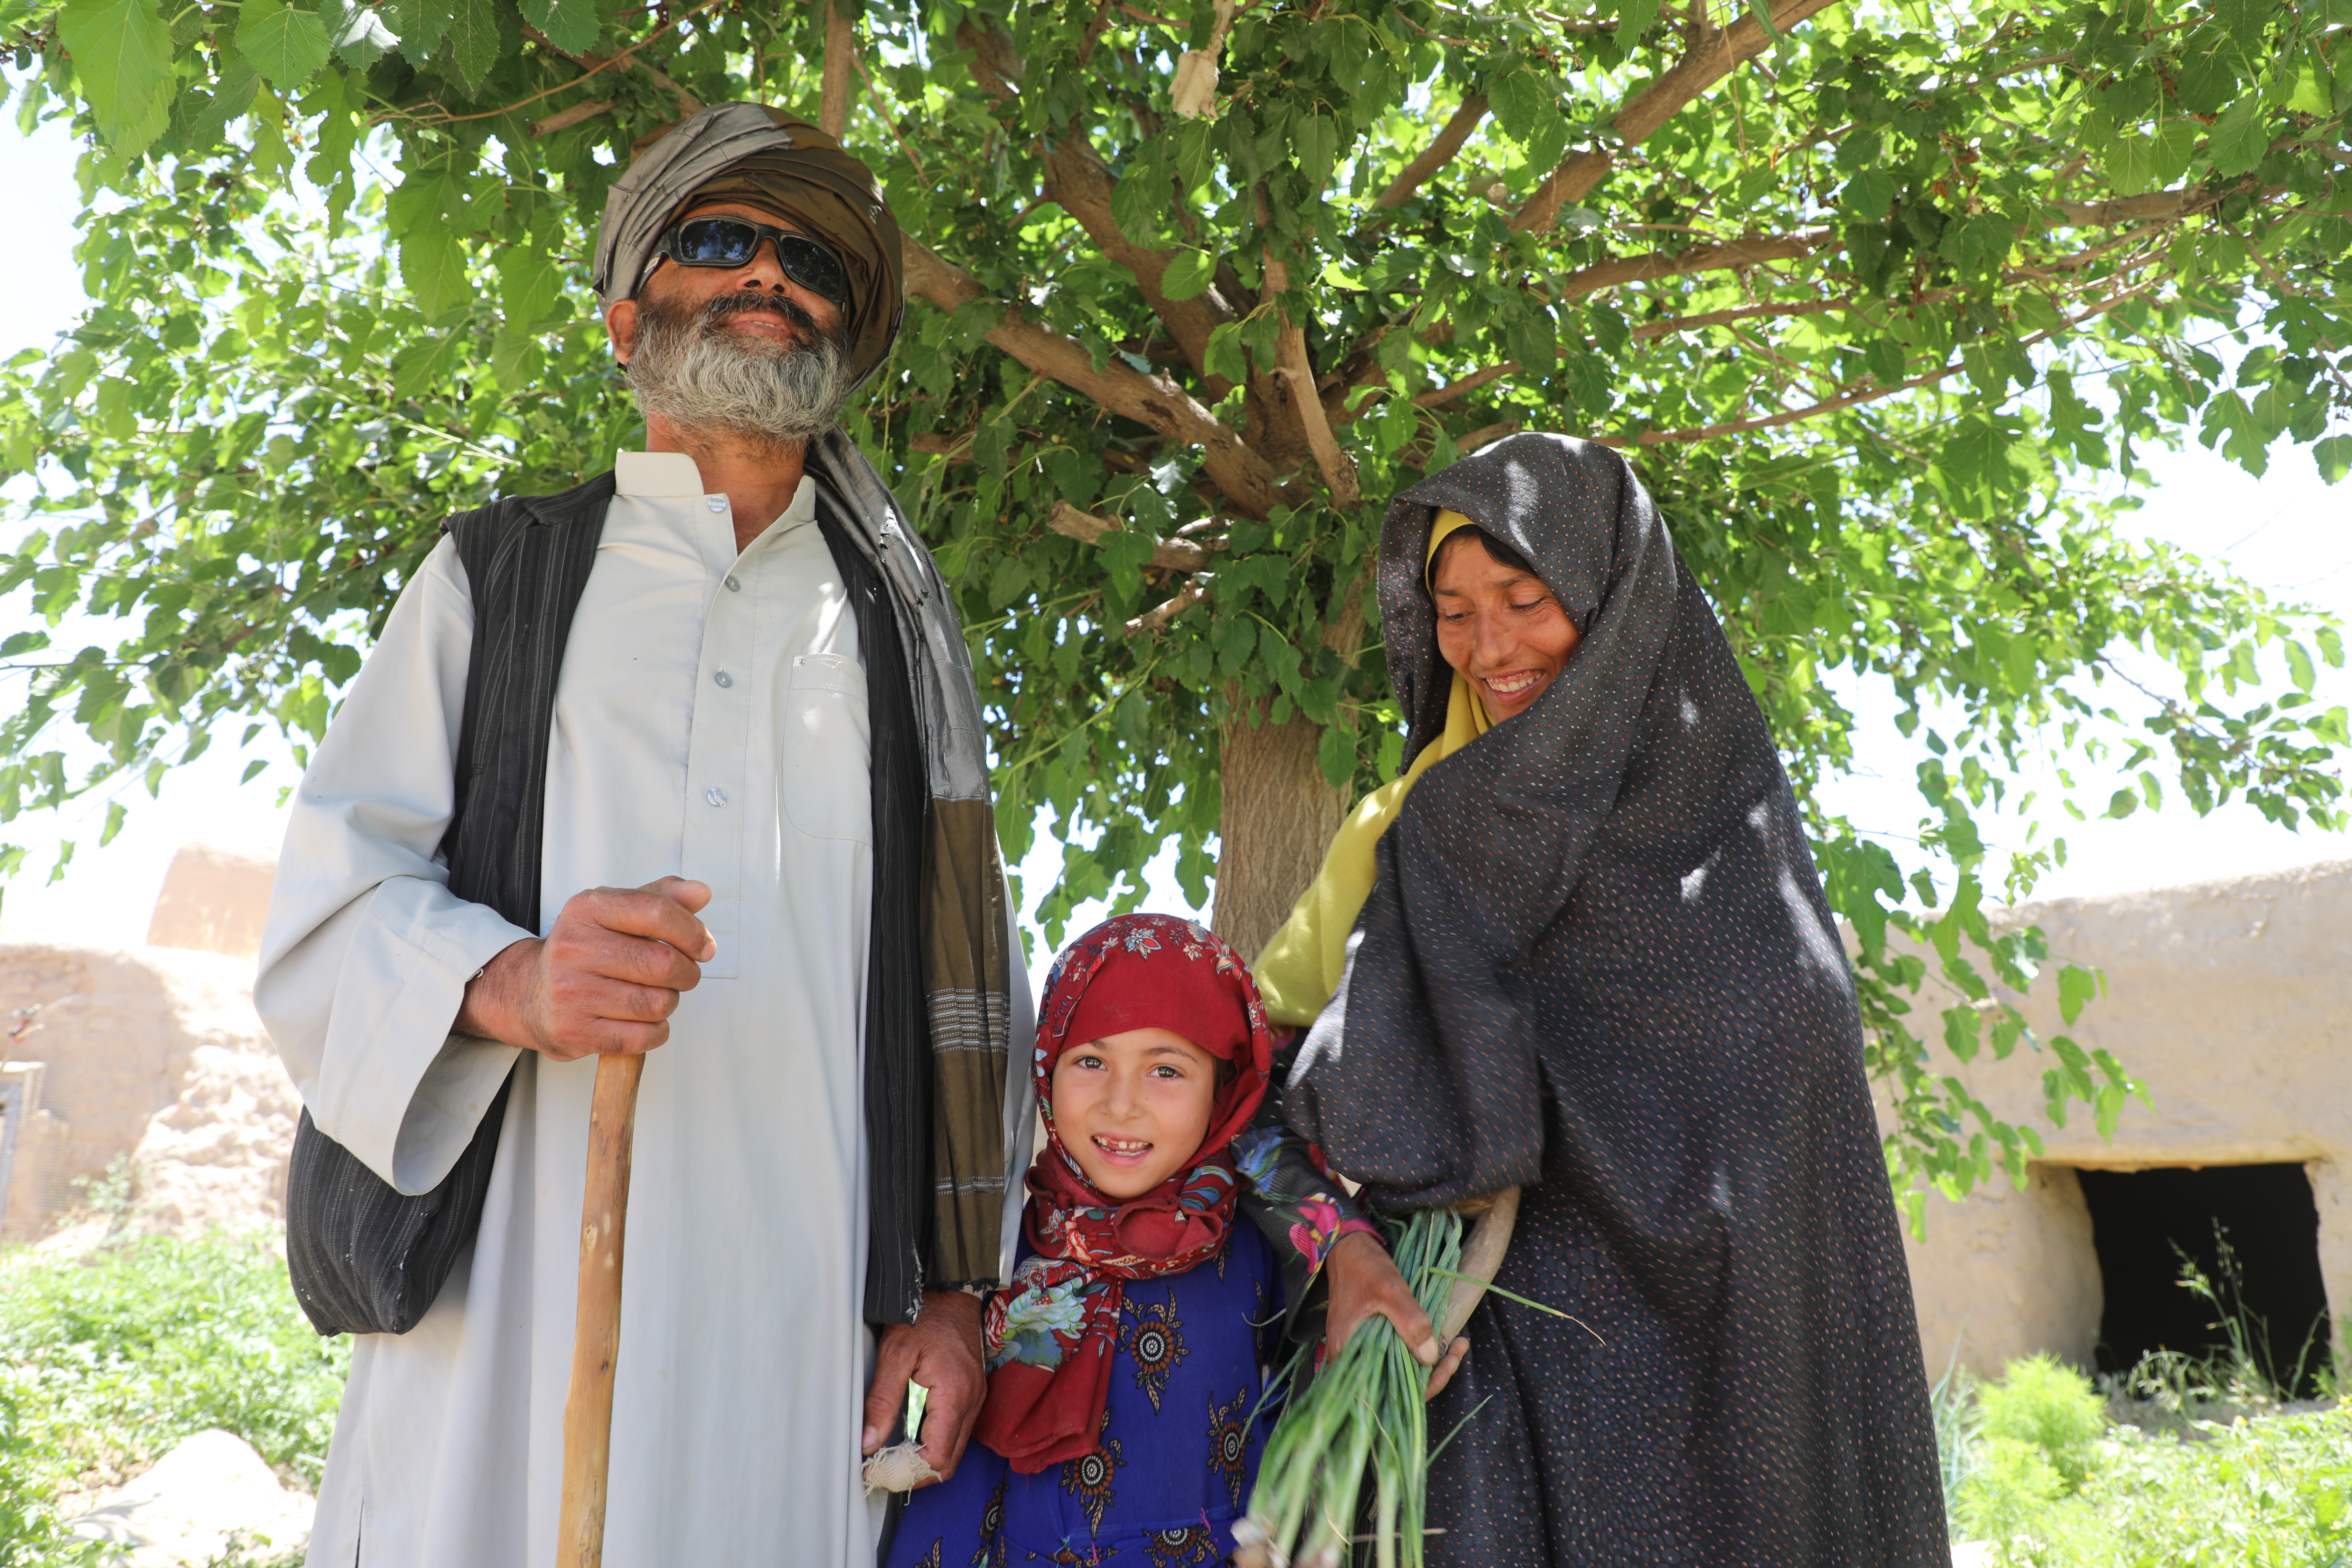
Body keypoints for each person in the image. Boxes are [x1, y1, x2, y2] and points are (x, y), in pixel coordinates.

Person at [256, 104, 1030, 1567]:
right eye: (721, 239)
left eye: (810, 260)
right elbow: (328, 902)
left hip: (800, 1327)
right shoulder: (501, 575)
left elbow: (962, 994)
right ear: (628, 317)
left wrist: (950, 1299)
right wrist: (512, 986)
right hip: (509, 1313)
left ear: (845, 342)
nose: (770, 275)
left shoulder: (897, 646)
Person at [1253, 434, 1952, 1565]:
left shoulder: (1741, 848)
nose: (1491, 649)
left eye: (1527, 599)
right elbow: (1248, 1096)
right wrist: (1342, 1253)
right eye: (1455, 611)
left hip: (1750, 1425)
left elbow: (1803, 1175)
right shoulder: (1405, 835)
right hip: (1499, 1419)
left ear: (1617, 599)